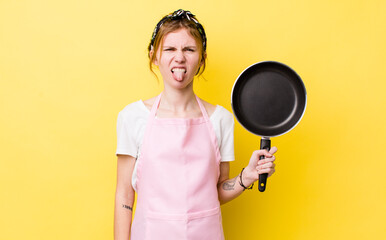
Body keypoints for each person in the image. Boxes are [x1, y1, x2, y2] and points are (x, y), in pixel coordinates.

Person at [114, 9, 277, 240]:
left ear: (202, 58)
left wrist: (247, 176)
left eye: (189, 49)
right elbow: (124, 195)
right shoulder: (132, 117)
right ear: (154, 55)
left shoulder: (221, 119)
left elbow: (217, 191)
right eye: (169, 49)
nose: (179, 57)